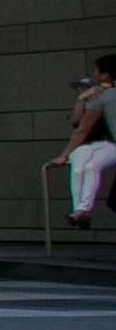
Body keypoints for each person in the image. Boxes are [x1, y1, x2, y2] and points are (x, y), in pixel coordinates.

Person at [49, 52, 116, 225]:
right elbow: (77, 122)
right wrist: (81, 99)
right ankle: (79, 211)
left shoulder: (101, 96)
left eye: (97, 72)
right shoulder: (96, 97)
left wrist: (64, 154)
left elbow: (81, 127)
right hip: (89, 146)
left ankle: (81, 211)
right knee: (80, 169)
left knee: (92, 168)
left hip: (105, 144)